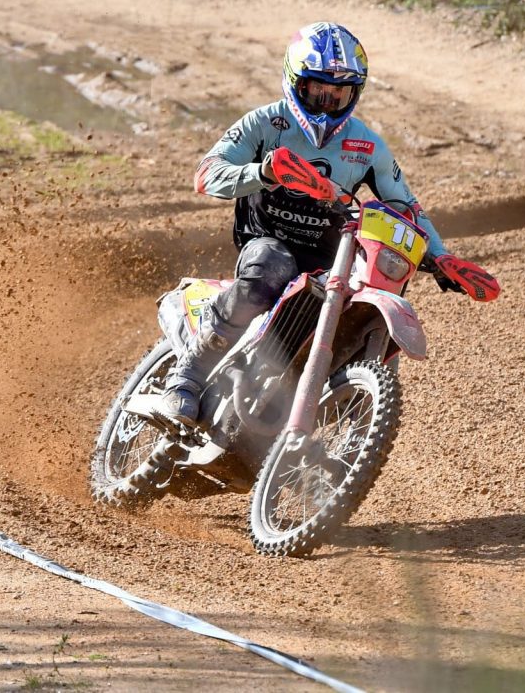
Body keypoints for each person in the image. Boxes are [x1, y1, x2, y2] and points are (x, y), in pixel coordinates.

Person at [161, 21, 501, 425]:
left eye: (339, 94)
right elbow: (207, 175)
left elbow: (406, 206)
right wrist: (264, 173)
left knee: (357, 308)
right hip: (266, 239)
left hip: (331, 258)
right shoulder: (265, 123)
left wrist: (442, 258)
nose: (328, 102)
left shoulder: (367, 145)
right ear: (296, 82)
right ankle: (188, 375)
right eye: (318, 90)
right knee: (272, 265)